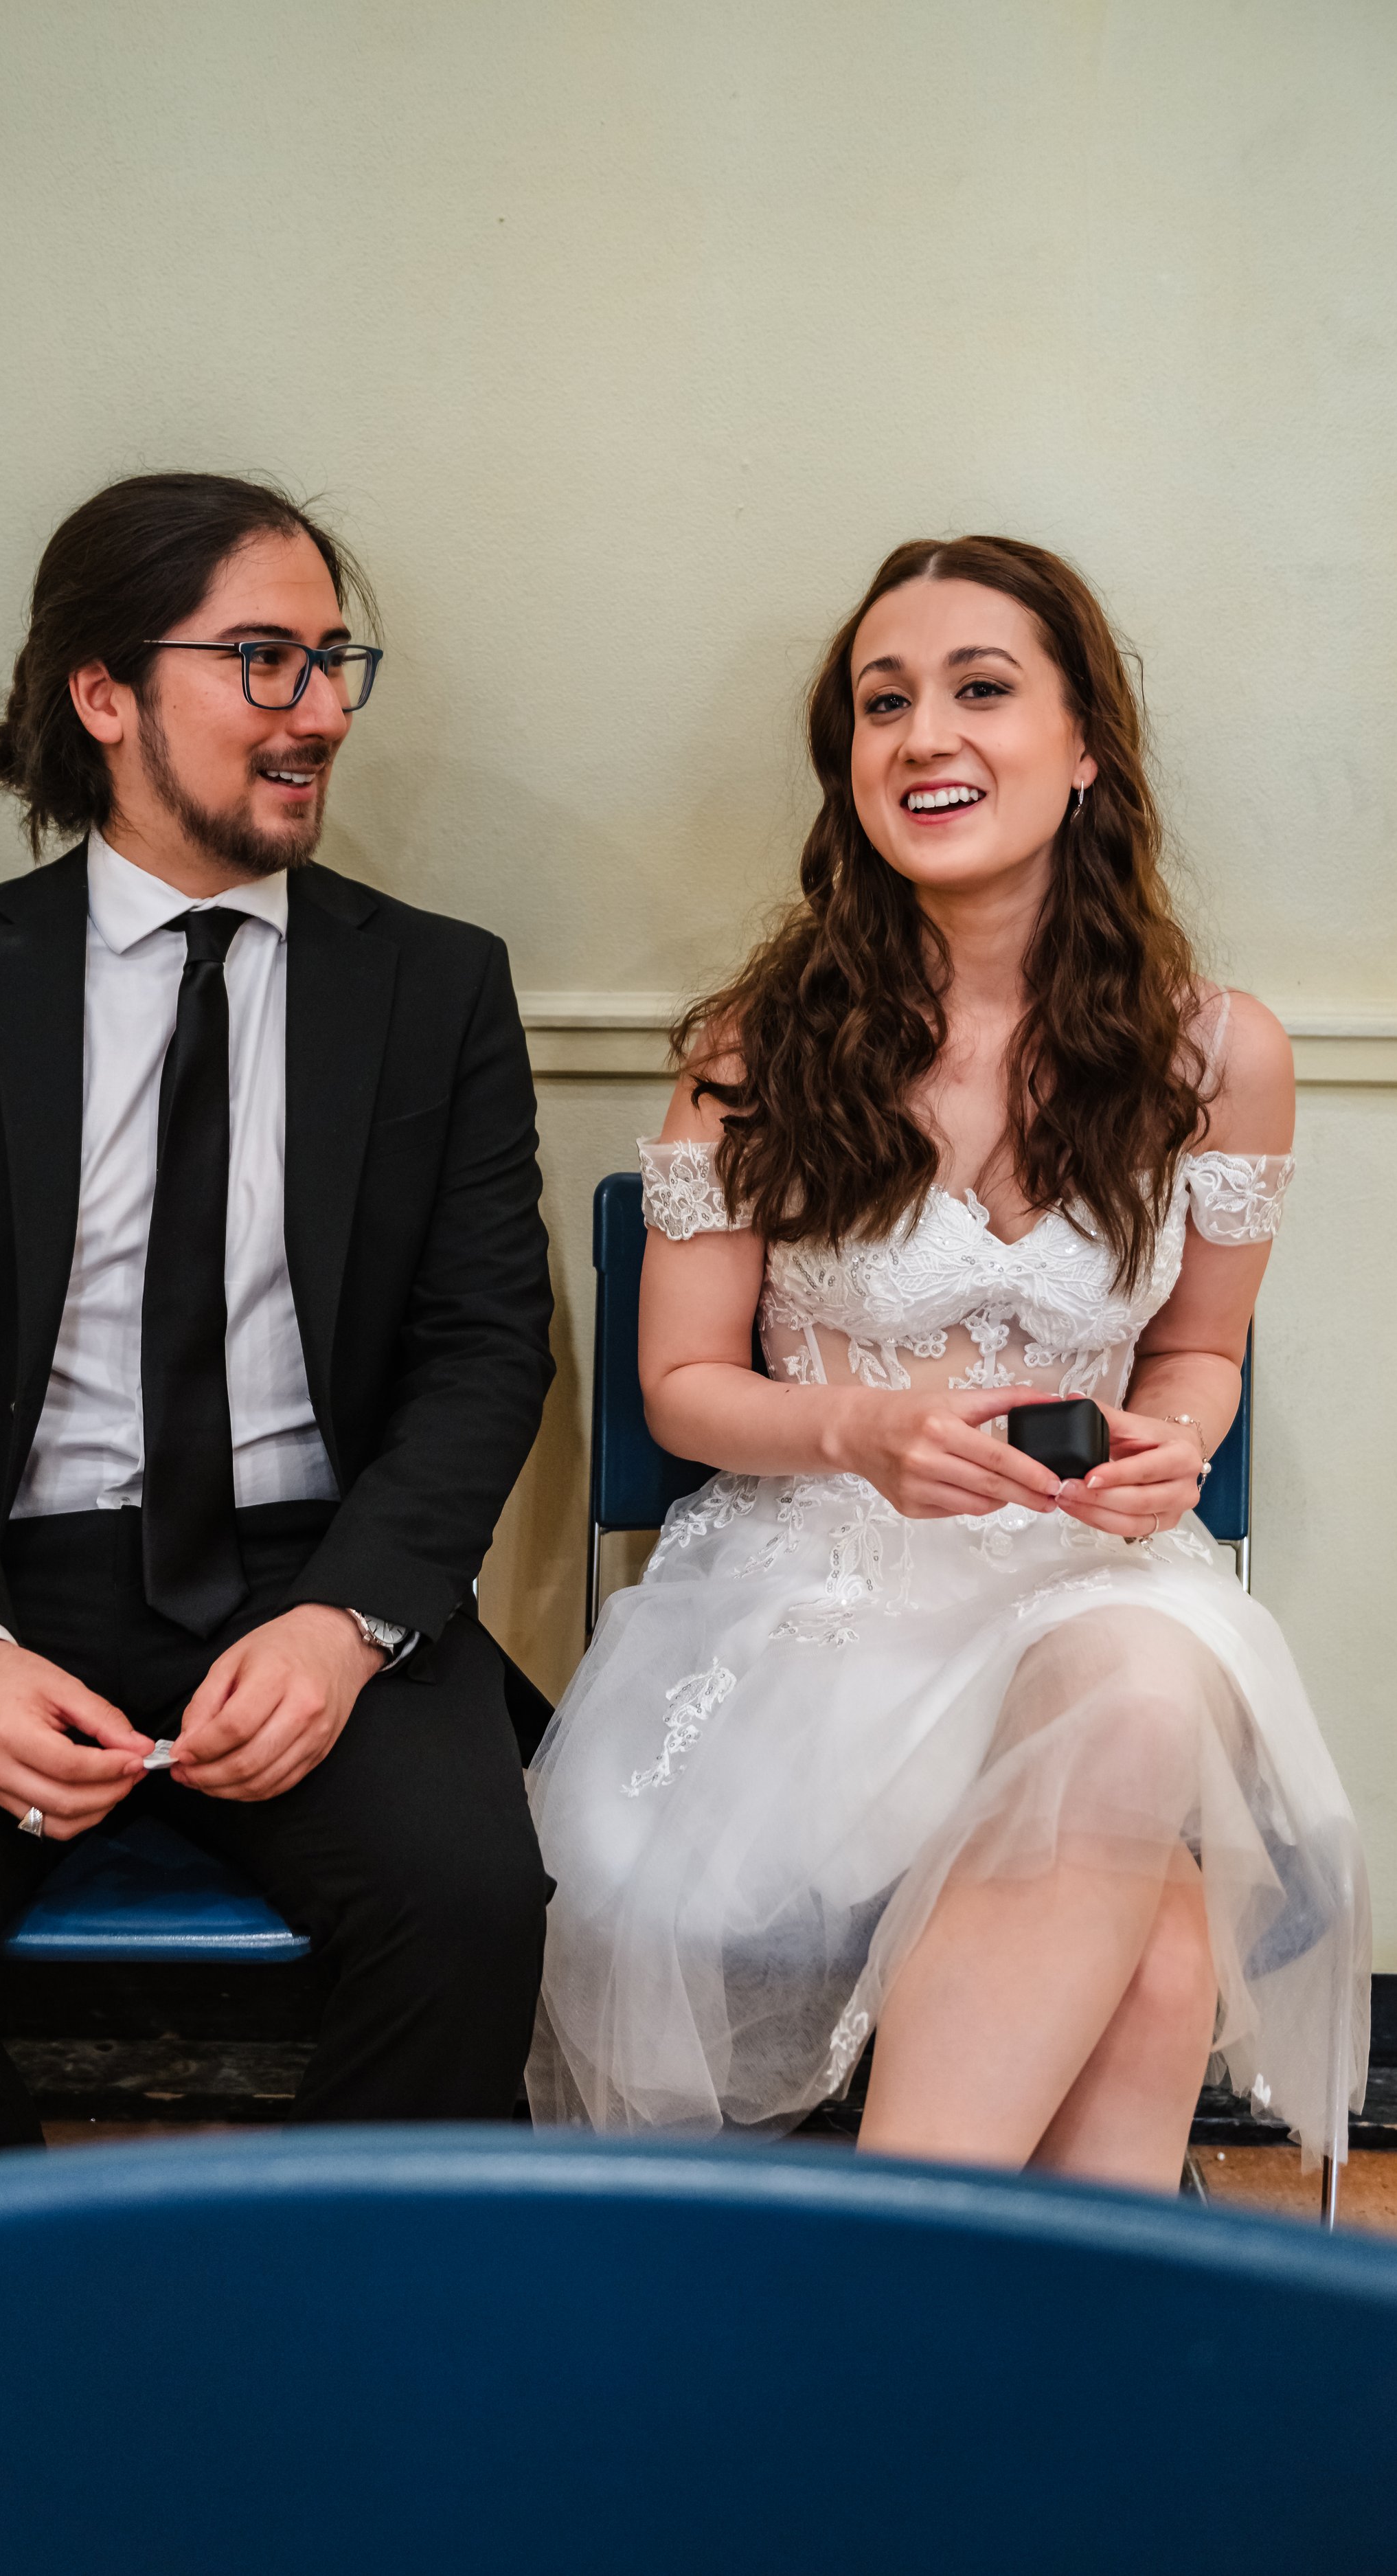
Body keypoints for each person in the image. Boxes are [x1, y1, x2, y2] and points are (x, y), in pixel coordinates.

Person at [0, 471, 556, 2173]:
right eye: (261, 660)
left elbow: (483, 1347)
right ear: (102, 695)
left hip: (315, 1568)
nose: (317, 711)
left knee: (466, 1914)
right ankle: (25, 2336)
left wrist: (347, 1628)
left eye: (331, 662)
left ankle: (315, 2340)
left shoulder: (434, 985)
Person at [527, 535, 1369, 2188]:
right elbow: (681, 1390)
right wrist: (859, 1429)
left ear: (1084, 753)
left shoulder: (1218, 1055)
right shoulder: (755, 1051)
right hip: (814, 1605)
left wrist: (1169, 1448)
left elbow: (1198, 1348)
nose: (924, 737)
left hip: (1090, 1576)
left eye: (981, 690)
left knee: (1133, 1685)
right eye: (881, 703)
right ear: (847, 770)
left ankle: (896, 2291)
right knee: (1155, 1947)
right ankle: (1013, 2374)